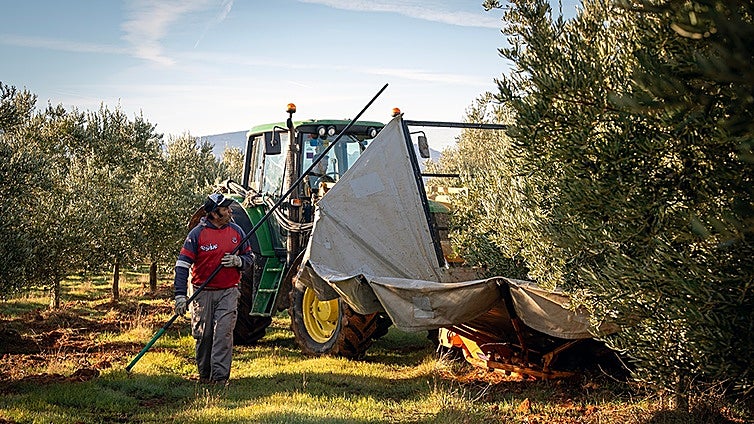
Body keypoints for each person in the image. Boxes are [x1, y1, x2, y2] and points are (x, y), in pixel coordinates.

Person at [173, 192, 253, 385]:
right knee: (204, 335)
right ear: (214, 214)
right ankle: (204, 375)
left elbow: (250, 259)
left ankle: (220, 378)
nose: (229, 212)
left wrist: (238, 261)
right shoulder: (197, 235)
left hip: (229, 291)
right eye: (225, 209)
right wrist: (180, 296)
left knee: (223, 334)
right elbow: (182, 265)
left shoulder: (237, 232)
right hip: (202, 292)